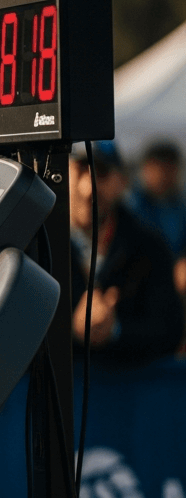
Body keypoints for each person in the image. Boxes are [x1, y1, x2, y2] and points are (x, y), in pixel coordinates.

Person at [67, 141, 184, 366]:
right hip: (58, 397)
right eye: (80, 170)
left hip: (127, 393)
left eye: (101, 173)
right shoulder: (36, 244)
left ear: (121, 182)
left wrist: (116, 331)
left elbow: (170, 331)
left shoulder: (149, 247)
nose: (88, 187)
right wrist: (72, 329)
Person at [124, 139, 186, 297]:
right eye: (160, 169)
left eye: (170, 169)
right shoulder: (131, 207)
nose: (165, 176)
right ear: (146, 169)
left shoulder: (179, 205)